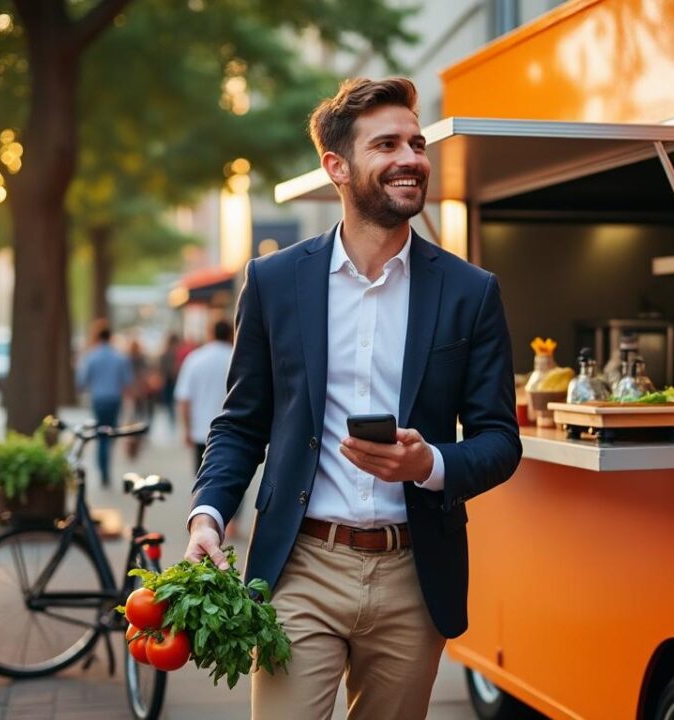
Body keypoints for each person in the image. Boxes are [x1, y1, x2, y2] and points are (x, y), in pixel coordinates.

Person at [184, 77, 521, 719]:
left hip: (413, 574)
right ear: (336, 166)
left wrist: (430, 465)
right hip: (300, 566)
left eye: (417, 143)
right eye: (387, 143)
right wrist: (208, 515)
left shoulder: (470, 291)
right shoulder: (275, 281)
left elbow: (500, 441)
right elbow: (240, 423)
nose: (411, 158)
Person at [174, 319, 233, 478]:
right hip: (232, 431)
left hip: (201, 431)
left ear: (210, 334)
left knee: (203, 481)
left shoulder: (195, 359)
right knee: (232, 481)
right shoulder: (236, 358)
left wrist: (186, 430)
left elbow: (184, 398)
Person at [76, 320, 133, 486]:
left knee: (101, 434)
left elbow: (82, 381)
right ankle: (106, 465)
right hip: (115, 400)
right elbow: (127, 381)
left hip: (98, 400)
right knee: (111, 433)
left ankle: (103, 469)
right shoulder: (119, 357)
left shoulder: (91, 356)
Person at [158, 332, 183, 427]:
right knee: (172, 403)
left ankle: (172, 422)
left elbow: (161, 369)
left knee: (169, 404)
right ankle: (173, 422)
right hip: (173, 381)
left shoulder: (164, 353)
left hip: (168, 381)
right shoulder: (175, 353)